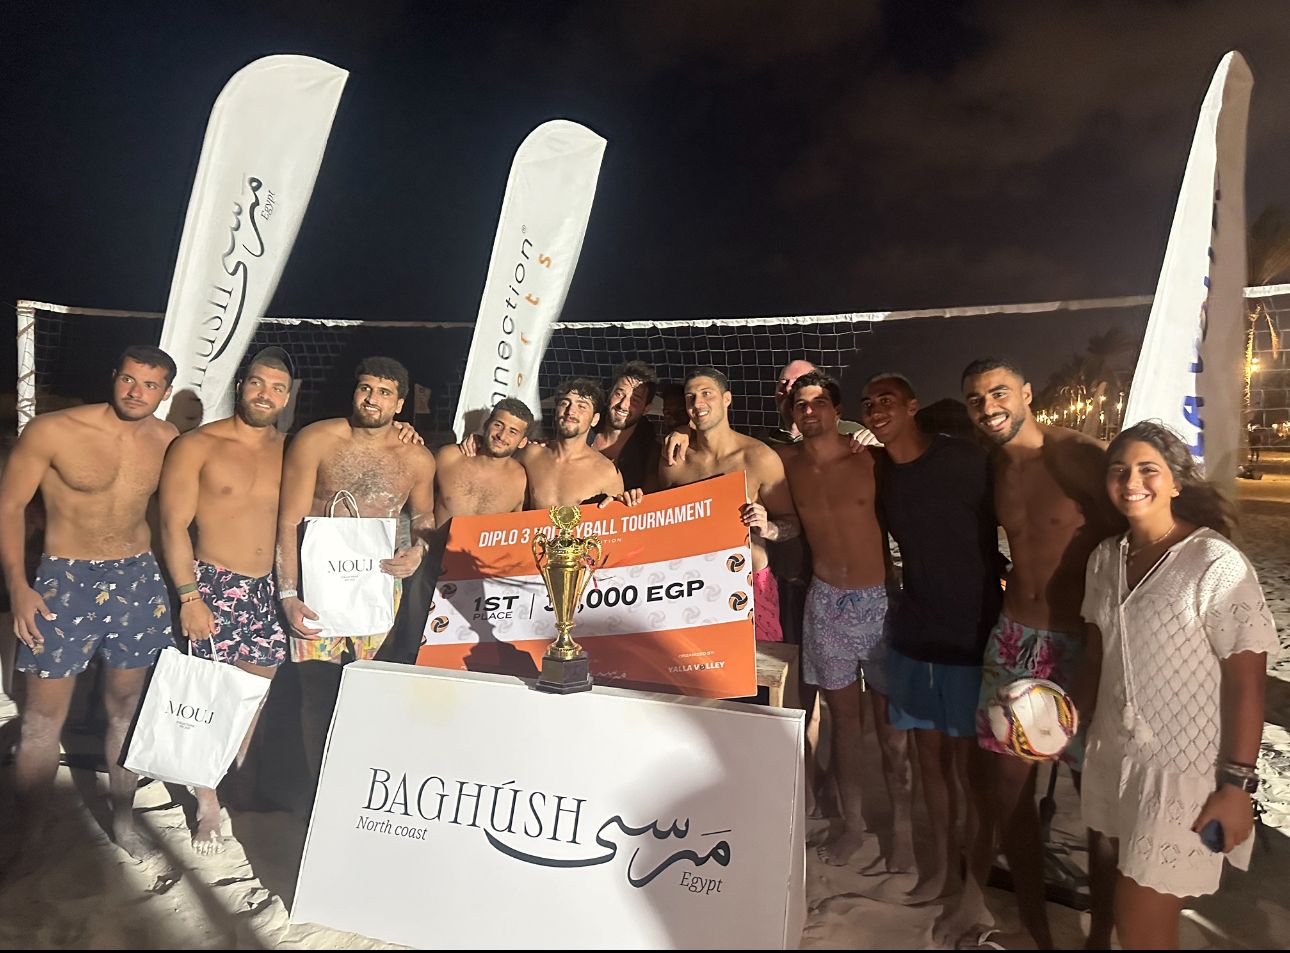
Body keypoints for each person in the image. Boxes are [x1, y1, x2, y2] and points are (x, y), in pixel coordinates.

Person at [1078, 421, 1276, 949]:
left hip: (1183, 775)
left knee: (1139, 923)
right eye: (1119, 470)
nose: (1131, 481)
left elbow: (1247, 684)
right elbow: (1099, 653)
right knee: (1135, 920)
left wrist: (1236, 787)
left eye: (1148, 469)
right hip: (1115, 760)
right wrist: (1067, 720)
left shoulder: (1215, 564)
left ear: (1176, 482)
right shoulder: (1104, 558)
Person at [951, 357, 1120, 950]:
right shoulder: (994, 463)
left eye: (999, 393)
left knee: (1096, 797)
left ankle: (1100, 936)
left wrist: (1106, 644)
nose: (988, 407)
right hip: (1014, 639)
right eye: (976, 399)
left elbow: (1131, 533)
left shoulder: (1078, 455)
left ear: (1026, 392)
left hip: (1083, 640)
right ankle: (1037, 930)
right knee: (1009, 790)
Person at [0, 346, 178, 861]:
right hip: (64, 579)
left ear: (165, 393)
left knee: (127, 709)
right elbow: (9, 506)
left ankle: (123, 819)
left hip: (137, 579)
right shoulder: (53, 431)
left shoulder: (168, 440)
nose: (136, 392)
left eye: (149, 385)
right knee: (41, 718)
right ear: (114, 376)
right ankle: (28, 834)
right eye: (128, 379)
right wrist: (18, 586)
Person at [861, 373, 1002, 908]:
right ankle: (941, 869)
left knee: (971, 772)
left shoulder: (962, 459)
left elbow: (1010, 516)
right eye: (869, 403)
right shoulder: (882, 472)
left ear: (912, 406)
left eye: (887, 400)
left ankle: (973, 887)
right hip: (916, 633)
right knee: (930, 765)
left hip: (971, 634)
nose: (876, 409)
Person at [158, 346, 294, 854]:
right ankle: (208, 802)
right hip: (212, 584)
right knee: (206, 698)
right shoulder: (197, 444)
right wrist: (189, 596)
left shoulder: (292, 450)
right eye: (257, 383)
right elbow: (171, 525)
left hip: (269, 589)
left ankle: (240, 782)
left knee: (251, 699)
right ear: (241, 386)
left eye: (277, 388)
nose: (265, 394)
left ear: (287, 397)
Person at [275, 356, 436, 782]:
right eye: (366, 388)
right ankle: (316, 787)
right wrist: (288, 593)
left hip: (379, 585)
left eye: (384, 393)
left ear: (399, 404)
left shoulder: (417, 458)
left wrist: (419, 550)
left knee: (371, 688)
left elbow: (424, 517)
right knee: (315, 688)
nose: (372, 399)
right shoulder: (316, 439)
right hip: (317, 586)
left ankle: (358, 785)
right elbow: (289, 520)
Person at [781, 371, 913, 871]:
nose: (809, 410)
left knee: (890, 727)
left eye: (819, 402)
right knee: (843, 722)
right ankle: (853, 826)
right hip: (825, 602)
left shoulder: (870, 459)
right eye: (801, 404)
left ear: (837, 411)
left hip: (878, 602)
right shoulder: (787, 464)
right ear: (792, 414)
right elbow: (781, 514)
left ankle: (902, 830)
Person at [658, 367, 799, 643]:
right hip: (690, 587)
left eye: (706, 394)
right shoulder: (674, 461)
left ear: (727, 399)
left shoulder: (758, 458)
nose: (698, 403)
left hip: (747, 585)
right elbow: (661, 523)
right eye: (690, 397)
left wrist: (768, 528)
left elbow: (792, 523)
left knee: (760, 667)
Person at [520, 378, 628, 509]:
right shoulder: (530, 455)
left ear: (595, 419)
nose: (570, 411)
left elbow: (617, 519)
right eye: (565, 403)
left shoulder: (608, 473)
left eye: (582, 406)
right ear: (556, 412)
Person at [434, 398, 533, 524]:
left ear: (522, 442)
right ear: (486, 424)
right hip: (440, 537)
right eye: (498, 425)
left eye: (512, 432)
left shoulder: (521, 480)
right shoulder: (449, 457)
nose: (502, 436)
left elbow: (518, 527)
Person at [591, 360, 659, 493]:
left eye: (635, 400)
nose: (623, 405)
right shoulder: (582, 432)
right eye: (619, 394)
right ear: (610, 394)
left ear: (646, 409)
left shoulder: (651, 454)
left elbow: (651, 498)